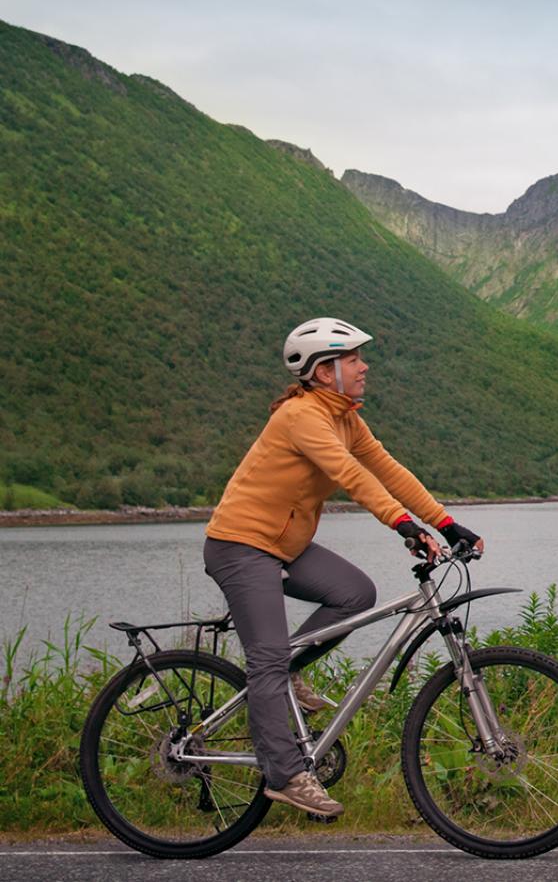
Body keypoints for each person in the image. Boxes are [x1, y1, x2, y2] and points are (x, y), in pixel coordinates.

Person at [202, 317, 483, 818]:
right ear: (324, 370)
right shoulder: (301, 416)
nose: (364, 366)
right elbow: (349, 474)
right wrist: (402, 524)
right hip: (241, 546)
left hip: (284, 545)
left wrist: (444, 522)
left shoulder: (345, 417)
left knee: (355, 593)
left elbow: (386, 468)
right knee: (265, 659)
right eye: (354, 359)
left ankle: (286, 674)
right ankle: (285, 774)